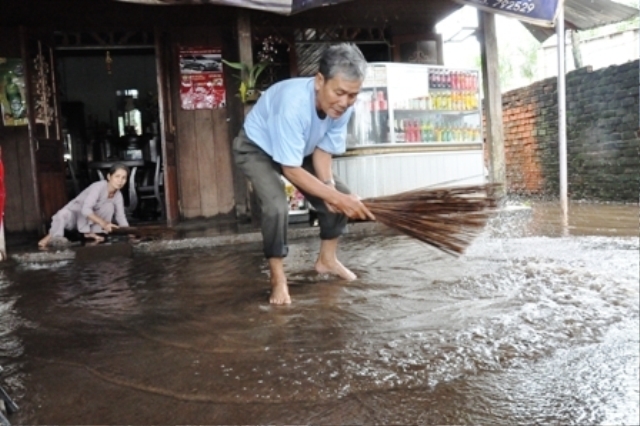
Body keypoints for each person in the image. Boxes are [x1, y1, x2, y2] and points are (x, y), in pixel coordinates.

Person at [232, 43, 375, 305]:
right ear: (320, 80)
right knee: (276, 205)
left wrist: (332, 192)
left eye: (352, 95)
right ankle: (277, 277)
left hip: (301, 152)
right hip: (256, 149)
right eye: (340, 92)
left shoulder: (343, 107)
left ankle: (327, 260)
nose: (345, 102)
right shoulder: (293, 104)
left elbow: (322, 150)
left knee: (338, 196)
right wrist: (336, 198)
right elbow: (291, 170)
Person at [38, 163, 130, 248]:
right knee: (63, 214)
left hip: (89, 221)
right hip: (75, 215)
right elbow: (85, 210)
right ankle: (55, 237)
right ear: (109, 177)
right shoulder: (98, 187)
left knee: (109, 206)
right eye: (117, 176)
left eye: (124, 178)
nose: (120, 181)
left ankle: (91, 233)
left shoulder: (118, 195)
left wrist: (130, 232)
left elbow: (120, 217)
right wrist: (104, 223)